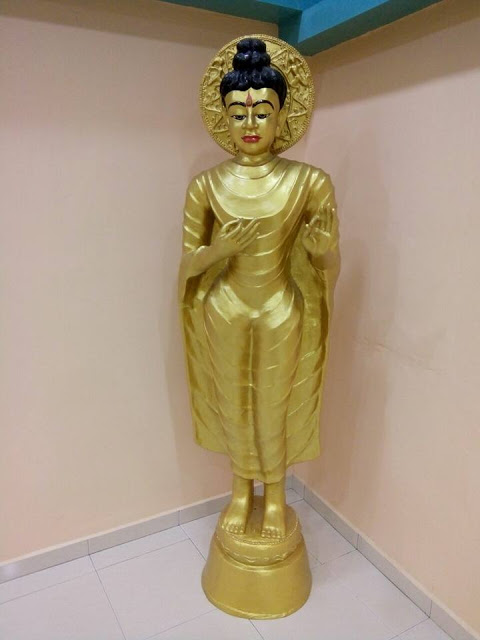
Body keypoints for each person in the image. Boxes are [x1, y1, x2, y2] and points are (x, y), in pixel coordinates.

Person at [179, 37, 340, 539]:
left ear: (283, 115)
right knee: (233, 403)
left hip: (280, 307)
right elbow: (187, 266)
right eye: (238, 114)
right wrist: (218, 252)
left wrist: (320, 253)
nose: (250, 124)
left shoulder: (310, 182)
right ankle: (238, 492)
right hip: (225, 307)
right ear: (223, 118)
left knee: (272, 405)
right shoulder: (205, 185)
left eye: (263, 113)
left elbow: (329, 267)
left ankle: (274, 498)